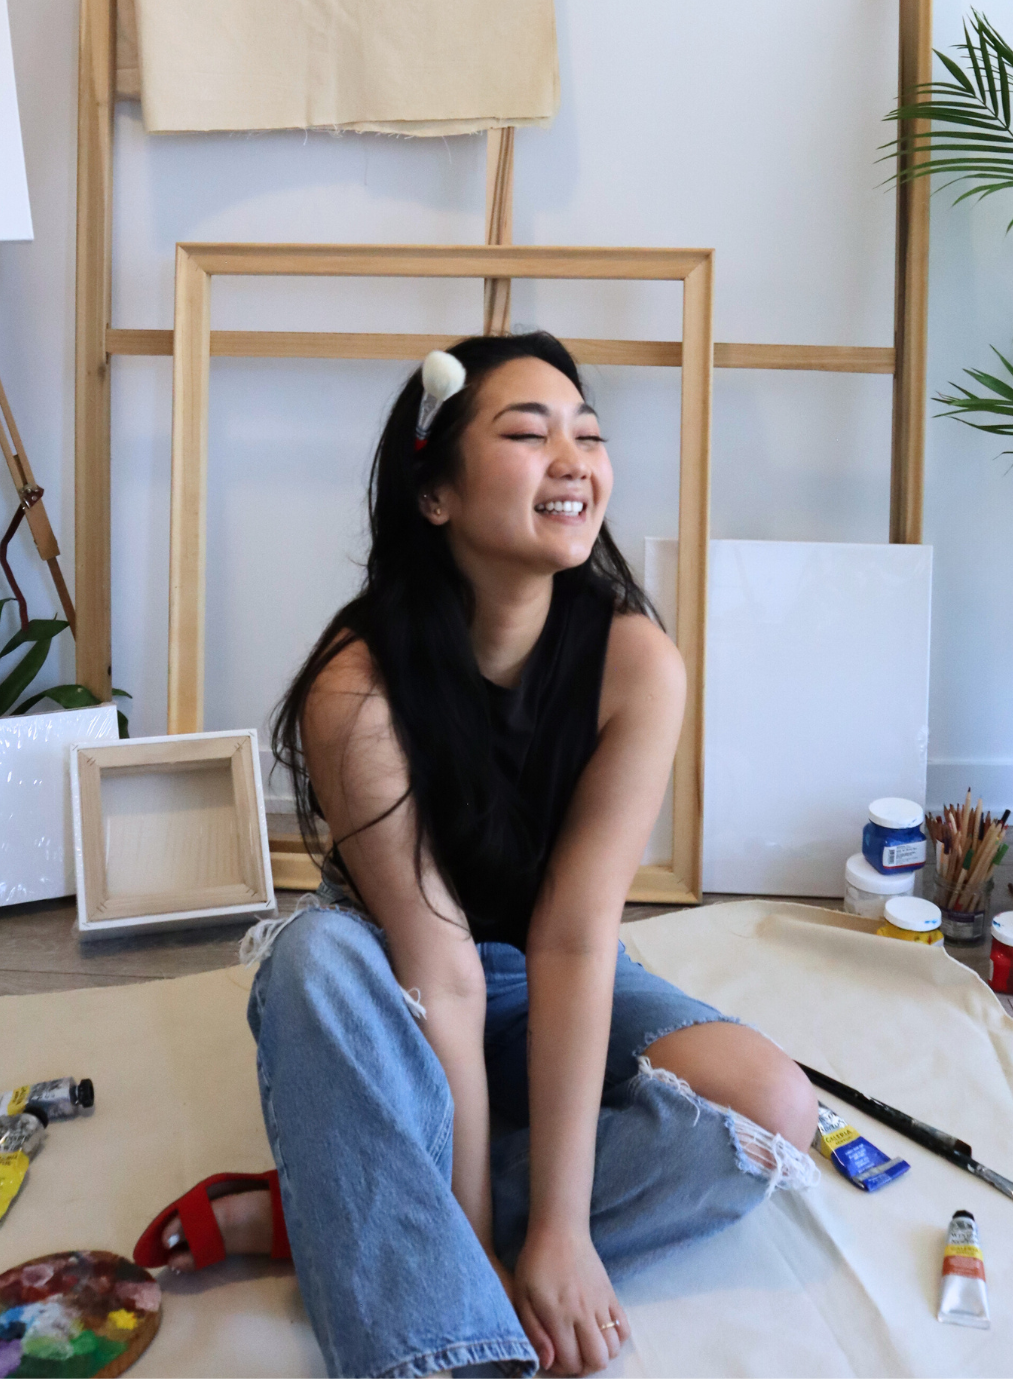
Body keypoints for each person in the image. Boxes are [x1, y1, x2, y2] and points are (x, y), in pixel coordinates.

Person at [129, 332, 818, 1378]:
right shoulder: (355, 686)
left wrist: (561, 1231)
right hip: (398, 985)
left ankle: (328, 1198)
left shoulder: (637, 661)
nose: (574, 458)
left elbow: (579, 940)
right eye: (528, 433)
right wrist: (487, 1242)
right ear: (437, 494)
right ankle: (437, 1317)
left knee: (772, 1111)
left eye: (587, 434)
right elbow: (441, 972)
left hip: (554, 974)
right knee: (309, 961)